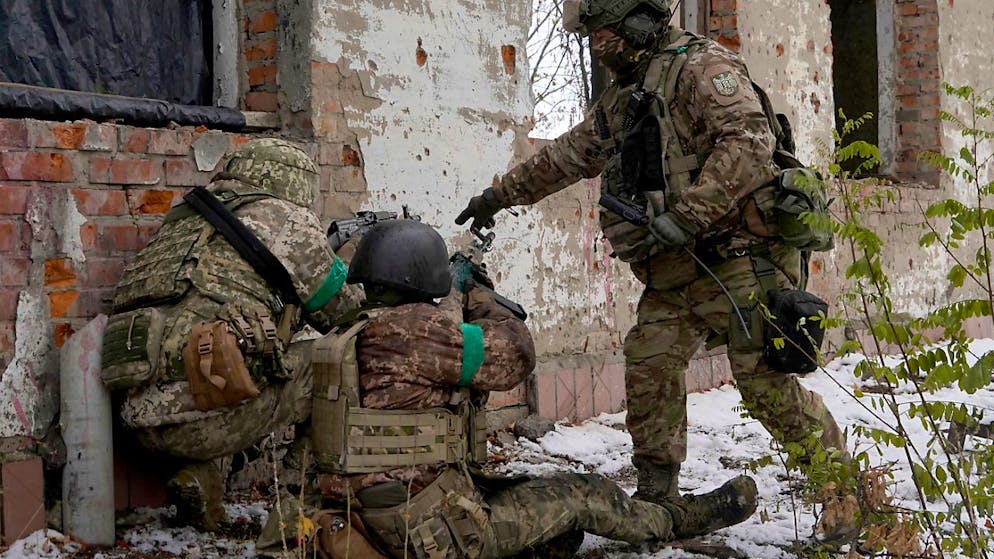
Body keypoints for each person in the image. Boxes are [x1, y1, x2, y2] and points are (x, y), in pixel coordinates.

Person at [455, 0, 848, 535]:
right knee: (650, 365)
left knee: (766, 385)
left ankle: (841, 491)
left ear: (637, 22)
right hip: (675, 269)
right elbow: (568, 155)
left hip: (738, 259)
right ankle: (658, 493)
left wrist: (688, 216)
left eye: (603, 33)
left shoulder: (702, 68)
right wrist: (497, 197)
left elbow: (751, 143)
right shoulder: (625, 96)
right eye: (591, 36)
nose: (596, 46)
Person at [296, 219, 758, 559]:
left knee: (550, 527)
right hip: (423, 531)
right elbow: (515, 354)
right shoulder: (421, 330)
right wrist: (480, 295)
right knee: (586, 494)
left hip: (353, 521)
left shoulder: (343, 336)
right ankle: (676, 520)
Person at [101, 138, 362, 531]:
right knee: (332, 360)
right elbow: (341, 313)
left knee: (241, 353)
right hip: (201, 419)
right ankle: (297, 492)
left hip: (134, 422)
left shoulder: (187, 218)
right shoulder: (284, 218)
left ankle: (200, 476)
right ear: (298, 182)